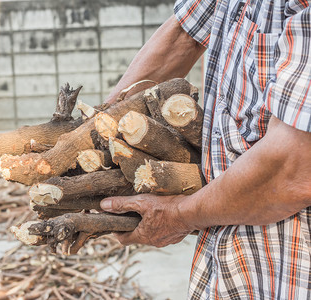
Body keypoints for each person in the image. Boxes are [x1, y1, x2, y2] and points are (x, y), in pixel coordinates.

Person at [100, 0, 311, 298]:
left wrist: (178, 215)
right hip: (226, 248)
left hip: (293, 259)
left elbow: (294, 167)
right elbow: (183, 34)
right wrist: (98, 129)